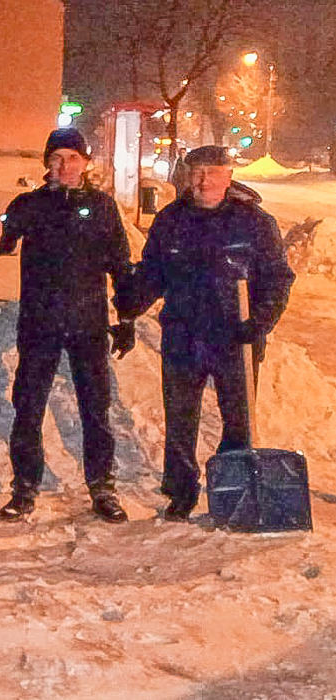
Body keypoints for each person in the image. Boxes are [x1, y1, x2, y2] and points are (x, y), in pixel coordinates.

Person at [115, 145, 294, 522]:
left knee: (238, 418)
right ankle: (181, 490)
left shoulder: (255, 222)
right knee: (180, 418)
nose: (203, 180)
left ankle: (233, 489)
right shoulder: (172, 220)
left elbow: (278, 278)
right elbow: (153, 273)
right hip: (184, 332)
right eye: (196, 171)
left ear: (228, 176)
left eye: (212, 171)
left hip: (236, 336)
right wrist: (129, 305)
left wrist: (261, 321)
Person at [0, 128, 135, 524]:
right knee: (28, 408)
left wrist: (127, 317)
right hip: (39, 322)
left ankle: (103, 486)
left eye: (72, 158)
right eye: (57, 158)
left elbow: (120, 263)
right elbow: (1, 239)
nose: (65, 165)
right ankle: (24, 488)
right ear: (47, 164)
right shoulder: (30, 205)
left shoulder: (103, 207)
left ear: (85, 163)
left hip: (88, 322)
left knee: (95, 410)